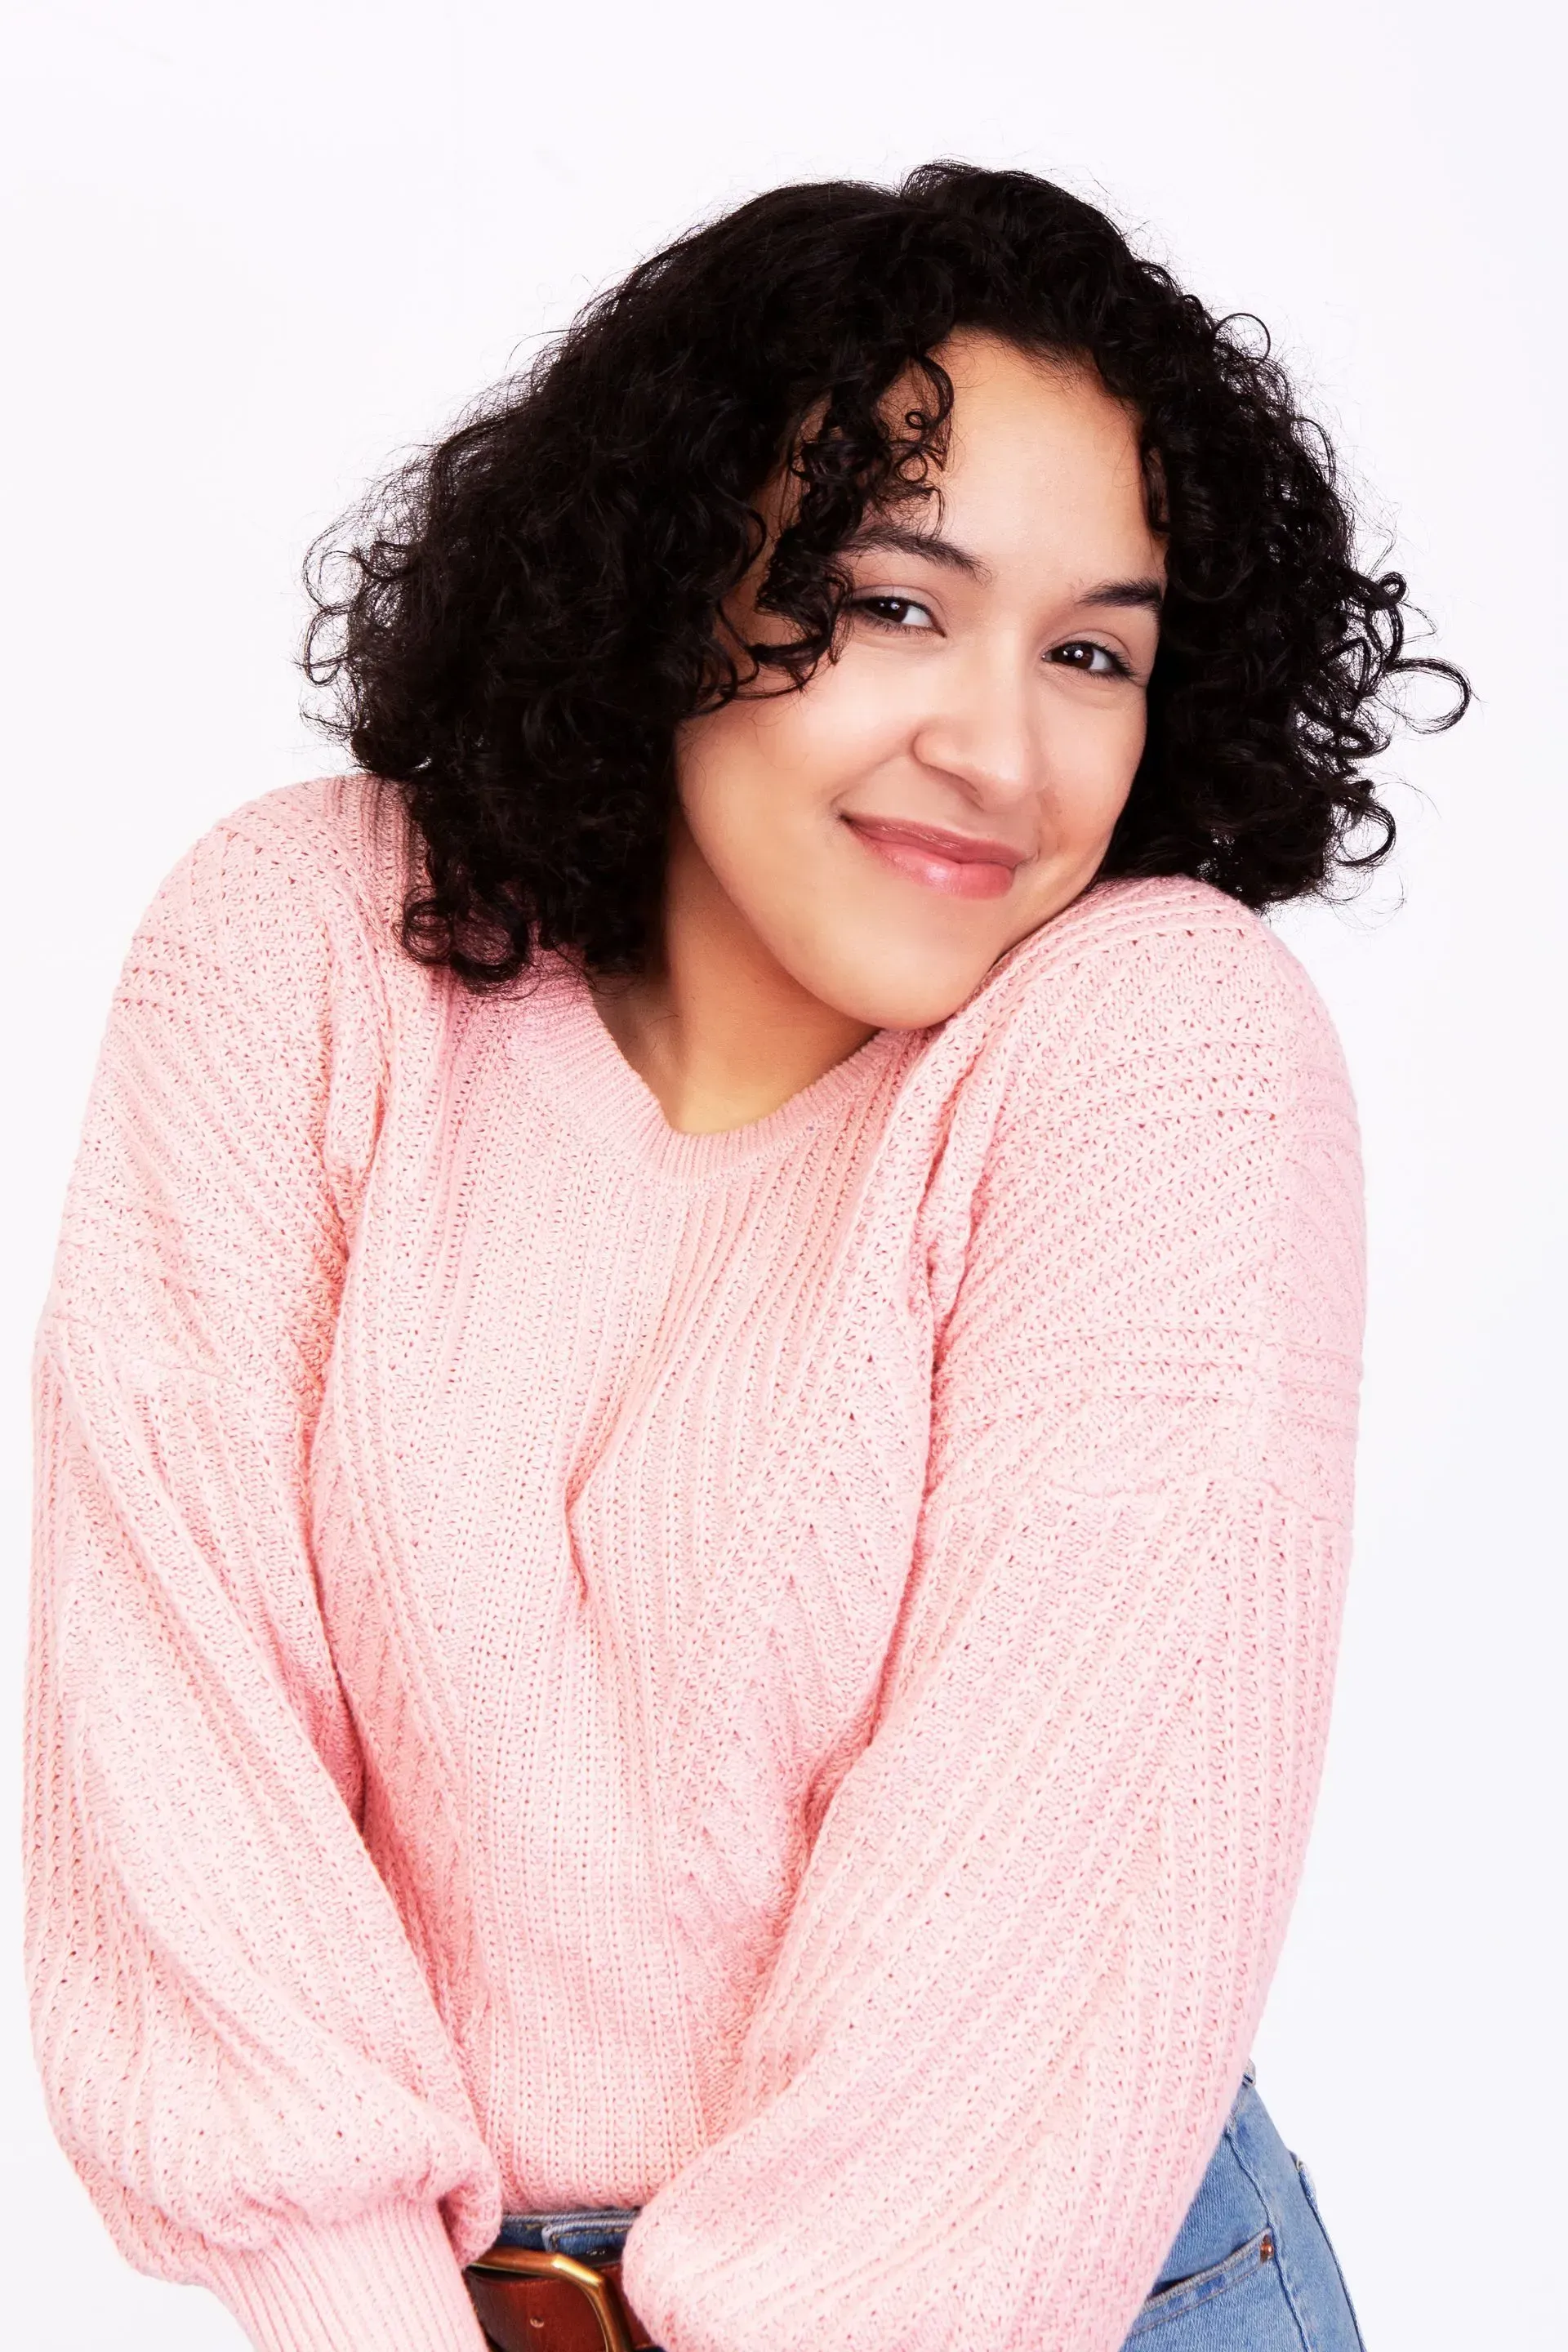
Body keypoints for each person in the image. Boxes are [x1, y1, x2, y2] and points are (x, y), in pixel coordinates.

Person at [24, 162, 1466, 2352]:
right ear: (670, 578)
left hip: (1038, 2297)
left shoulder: (1158, 1046)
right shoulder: (307, 946)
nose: (1000, 746)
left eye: (1094, 652)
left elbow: (1036, 1935)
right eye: (897, 603)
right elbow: (174, 1727)